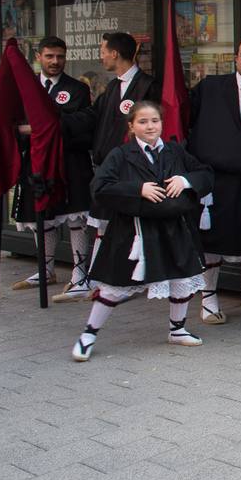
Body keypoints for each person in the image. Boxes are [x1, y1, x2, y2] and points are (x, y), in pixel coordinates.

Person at [71, 101, 214, 361]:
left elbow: (205, 173)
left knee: (181, 279)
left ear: (162, 123)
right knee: (116, 286)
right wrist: (138, 189)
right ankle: (88, 334)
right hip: (132, 232)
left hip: (174, 230)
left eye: (155, 121)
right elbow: (99, 187)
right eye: (143, 122)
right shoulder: (121, 155)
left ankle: (177, 330)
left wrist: (186, 180)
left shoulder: (174, 151)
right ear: (131, 126)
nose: (150, 126)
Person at [187, 37, 241, 324]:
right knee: (212, 241)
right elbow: (186, 120)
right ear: (235, 58)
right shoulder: (210, 88)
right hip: (216, 180)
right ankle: (208, 299)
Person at [12, 36, 94, 296]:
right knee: (43, 218)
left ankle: (81, 275)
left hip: (69, 163)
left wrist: (41, 129)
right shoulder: (25, 89)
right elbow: (12, 126)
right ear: (39, 57)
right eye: (49, 56)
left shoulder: (77, 89)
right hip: (35, 164)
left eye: (60, 56)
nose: (55, 61)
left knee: (75, 217)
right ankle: (45, 269)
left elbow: (82, 125)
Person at [80, 31, 158, 292]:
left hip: (135, 172)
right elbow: (93, 117)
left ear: (115, 53)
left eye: (103, 50)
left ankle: (135, 278)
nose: (101, 56)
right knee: (105, 225)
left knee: (134, 227)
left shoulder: (148, 85)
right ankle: (100, 279)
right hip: (110, 169)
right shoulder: (113, 86)